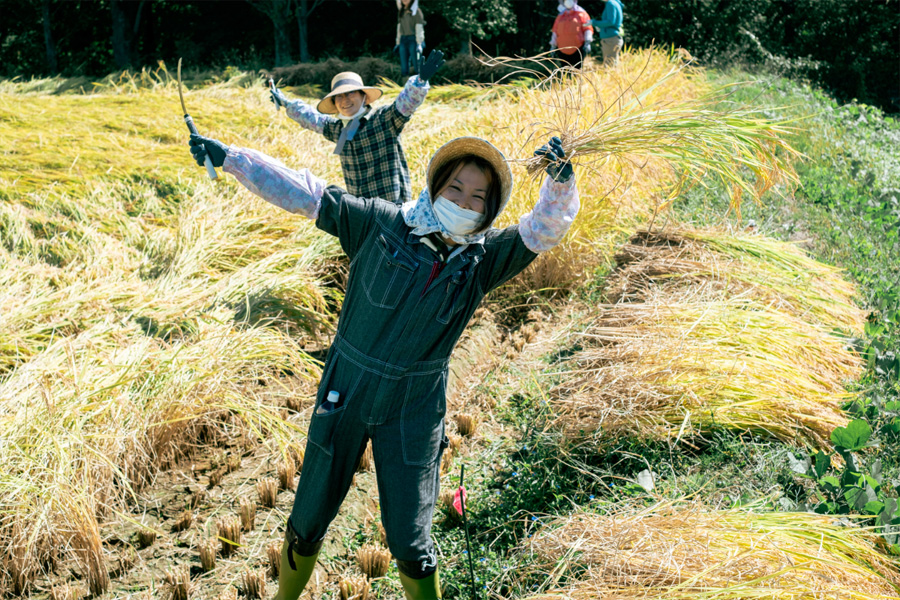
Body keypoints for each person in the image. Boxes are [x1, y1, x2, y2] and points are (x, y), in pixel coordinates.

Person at [187, 129, 580, 600]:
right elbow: (306, 193)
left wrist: (559, 179)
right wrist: (232, 158)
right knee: (309, 514)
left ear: (488, 210)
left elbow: (544, 228)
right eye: (455, 188)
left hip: (414, 406)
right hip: (345, 390)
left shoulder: (485, 260)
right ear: (435, 186)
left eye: (477, 198)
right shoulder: (380, 224)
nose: (464, 201)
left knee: (410, 538)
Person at [269, 50, 444, 205]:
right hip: (361, 213)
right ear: (334, 104)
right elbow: (311, 118)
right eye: (339, 97)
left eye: (350, 93)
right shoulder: (338, 129)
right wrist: (286, 103)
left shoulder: (383, 120)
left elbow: (406, 104)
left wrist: (419, 82)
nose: (345, 100)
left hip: (392, 209)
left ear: (364, 97)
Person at [550, 0, 594, 69]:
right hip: (562, 49)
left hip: (578, 48)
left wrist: (587, 42)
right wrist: (553, 46)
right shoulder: (560, 16)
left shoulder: (582, 14)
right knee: (565, 71)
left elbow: (587, 29)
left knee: (577, 70)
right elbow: (555, 31)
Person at [395, 0, 426, 78]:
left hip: (413, 40)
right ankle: (405, 85)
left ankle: (419, 85)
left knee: (417, 64)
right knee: (404, 66)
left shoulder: (416, 11)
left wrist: (419, 43)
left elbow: (419, 29)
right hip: (403, 40)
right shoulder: (401, 11)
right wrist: (398, 42)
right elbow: (399, 28)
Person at [592, 0, 624, 66]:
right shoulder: (615, 3)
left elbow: (610, 21)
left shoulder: (610, 3)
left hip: (610, 39)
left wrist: (594, 22)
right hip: (613, 38)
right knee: (612, 64)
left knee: (609, 66)